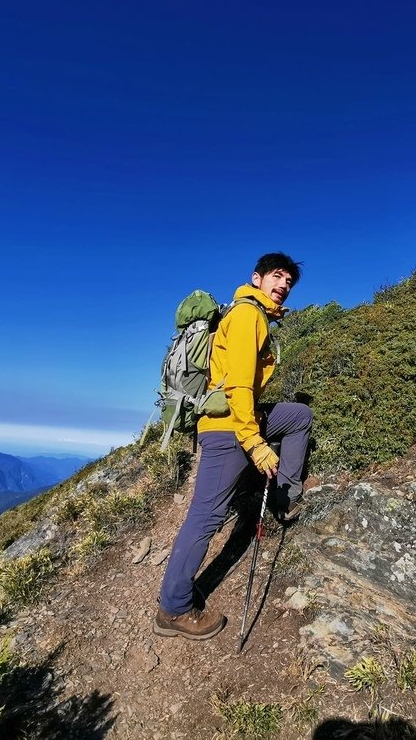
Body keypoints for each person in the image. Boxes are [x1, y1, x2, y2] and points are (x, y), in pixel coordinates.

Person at [154, 252, 313, 641]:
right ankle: (173, 608)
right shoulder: (245, 317)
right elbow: (240, 387)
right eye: (277, 276)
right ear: (256, 278)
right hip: (227, 429)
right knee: (206, 516)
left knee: (298, 416)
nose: (283, 285)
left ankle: (284, 496)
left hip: (237, 418)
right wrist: (255, 444)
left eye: (289, 281)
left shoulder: (254, 314)